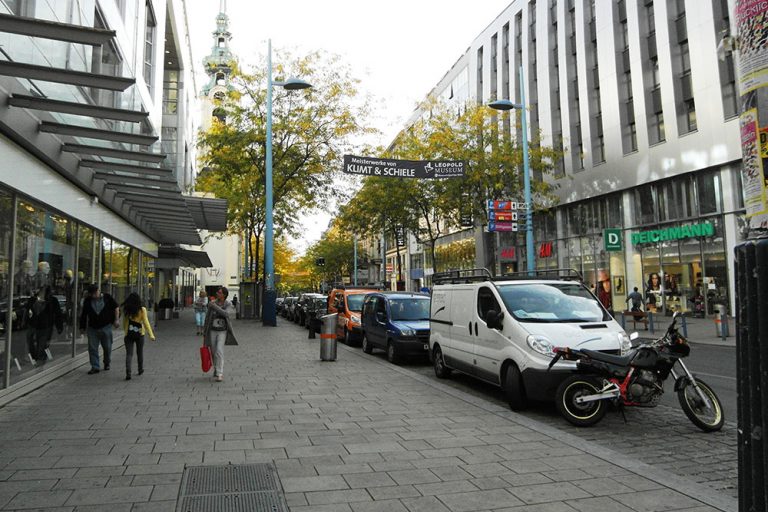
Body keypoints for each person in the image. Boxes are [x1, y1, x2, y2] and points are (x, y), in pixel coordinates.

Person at [79, 284, 119, 374]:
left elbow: (116, 307)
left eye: (95, 293)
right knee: (92, 348)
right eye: (91, 294)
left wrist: (116, 320)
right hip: (93, 328)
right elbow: (84, 315)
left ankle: (107, 362)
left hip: (106, 326)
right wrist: (82, 327)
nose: (93, 296)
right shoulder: (88, 301)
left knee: (107, 347)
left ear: (99, 291)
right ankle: (95, 366)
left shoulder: (107, 298)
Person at [203, 286, 237, 382]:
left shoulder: (228, 304)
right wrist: (205, 331)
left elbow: (226, 314)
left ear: (224, 295)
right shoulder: (212, 303)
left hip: (223, 331)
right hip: (212, 330)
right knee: (213, 351)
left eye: (219, 292)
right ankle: (216, 369)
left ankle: (220, 373)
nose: (217, 293)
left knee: (219, 350)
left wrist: (215, 307)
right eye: (217, 292)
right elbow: (207, 317)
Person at [121, 293, 155, 380]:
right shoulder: (142, 309)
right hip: (140, 334)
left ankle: (128, 372)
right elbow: (146, 322)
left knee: (129, 354)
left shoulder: (127, 310)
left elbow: (124, 322)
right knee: (139, 353)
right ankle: (140, 369)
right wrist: (151, 335)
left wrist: (125, 331)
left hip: (129, 334)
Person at [25, 286, 63, 361]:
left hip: (45, 327)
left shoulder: (52, 301)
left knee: (42, 346)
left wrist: (59, 326)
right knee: (32, 343)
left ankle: (40, 360)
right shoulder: (33, 300)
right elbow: (28, 311)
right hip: (34, 326)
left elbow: (58, 314)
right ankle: (36, 358)